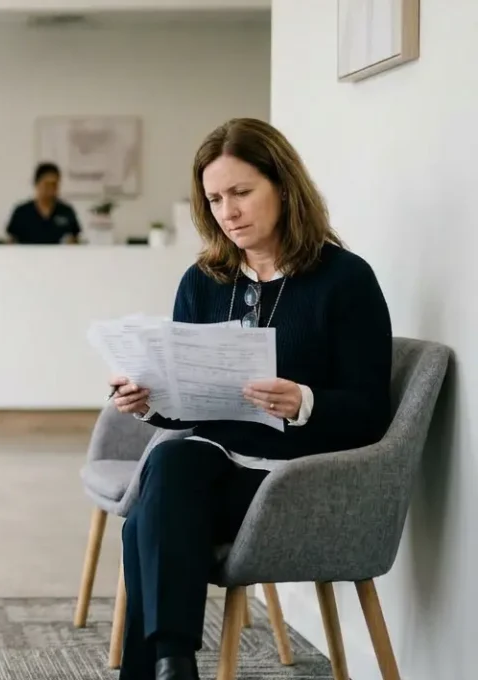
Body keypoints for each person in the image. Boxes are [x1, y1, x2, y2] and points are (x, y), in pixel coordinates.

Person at [107, 118, 392, 680]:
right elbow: (183, 407)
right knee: (171, 458)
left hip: (299, 478)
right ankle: (174, 663)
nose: (228, 212)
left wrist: (305, 402)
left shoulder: (346, 280)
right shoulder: (204, 280)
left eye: (241, 192)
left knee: (144, 520)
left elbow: (370, 413)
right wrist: (148, 400)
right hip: (214, 470)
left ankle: (164, 665)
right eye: (215, 199)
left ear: (283, 188)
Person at [5, 162, 81, 244]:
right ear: (36, 184)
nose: (51, 189)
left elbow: (75, 239)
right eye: (47, 185)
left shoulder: (66, 211)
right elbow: (11, 242)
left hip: (58, 256)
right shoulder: (21, 212)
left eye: (55, 184)